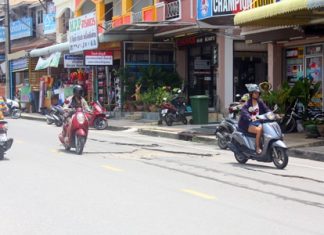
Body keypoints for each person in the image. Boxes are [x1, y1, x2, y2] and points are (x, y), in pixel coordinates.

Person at [238, 84, 270, 154]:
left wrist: (271, 114)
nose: (257, 94)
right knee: (259, 130)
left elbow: (266, 109)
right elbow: (244, 112)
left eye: (258, 93)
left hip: (258, 122)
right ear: (251, 94)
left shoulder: (260, 102)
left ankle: (265, 146)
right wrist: (250, 117)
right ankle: (257, 147)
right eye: (255, 93)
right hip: (249, 124)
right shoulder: (247, 104)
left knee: (266, 129)